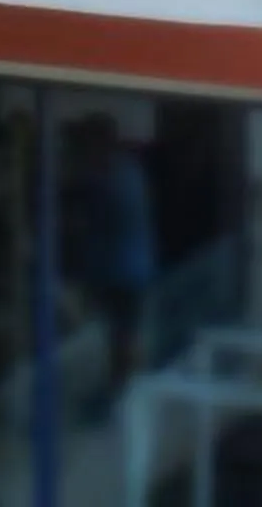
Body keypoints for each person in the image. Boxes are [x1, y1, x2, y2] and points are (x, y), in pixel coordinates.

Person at [62, 113, 158, 415]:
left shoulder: (116, 176)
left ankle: (119, 395)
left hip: (124, 272)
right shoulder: (122, 171)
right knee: (119, 334)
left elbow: (100, 220)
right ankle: (118, 391)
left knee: (121, 334)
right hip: (126, 269)